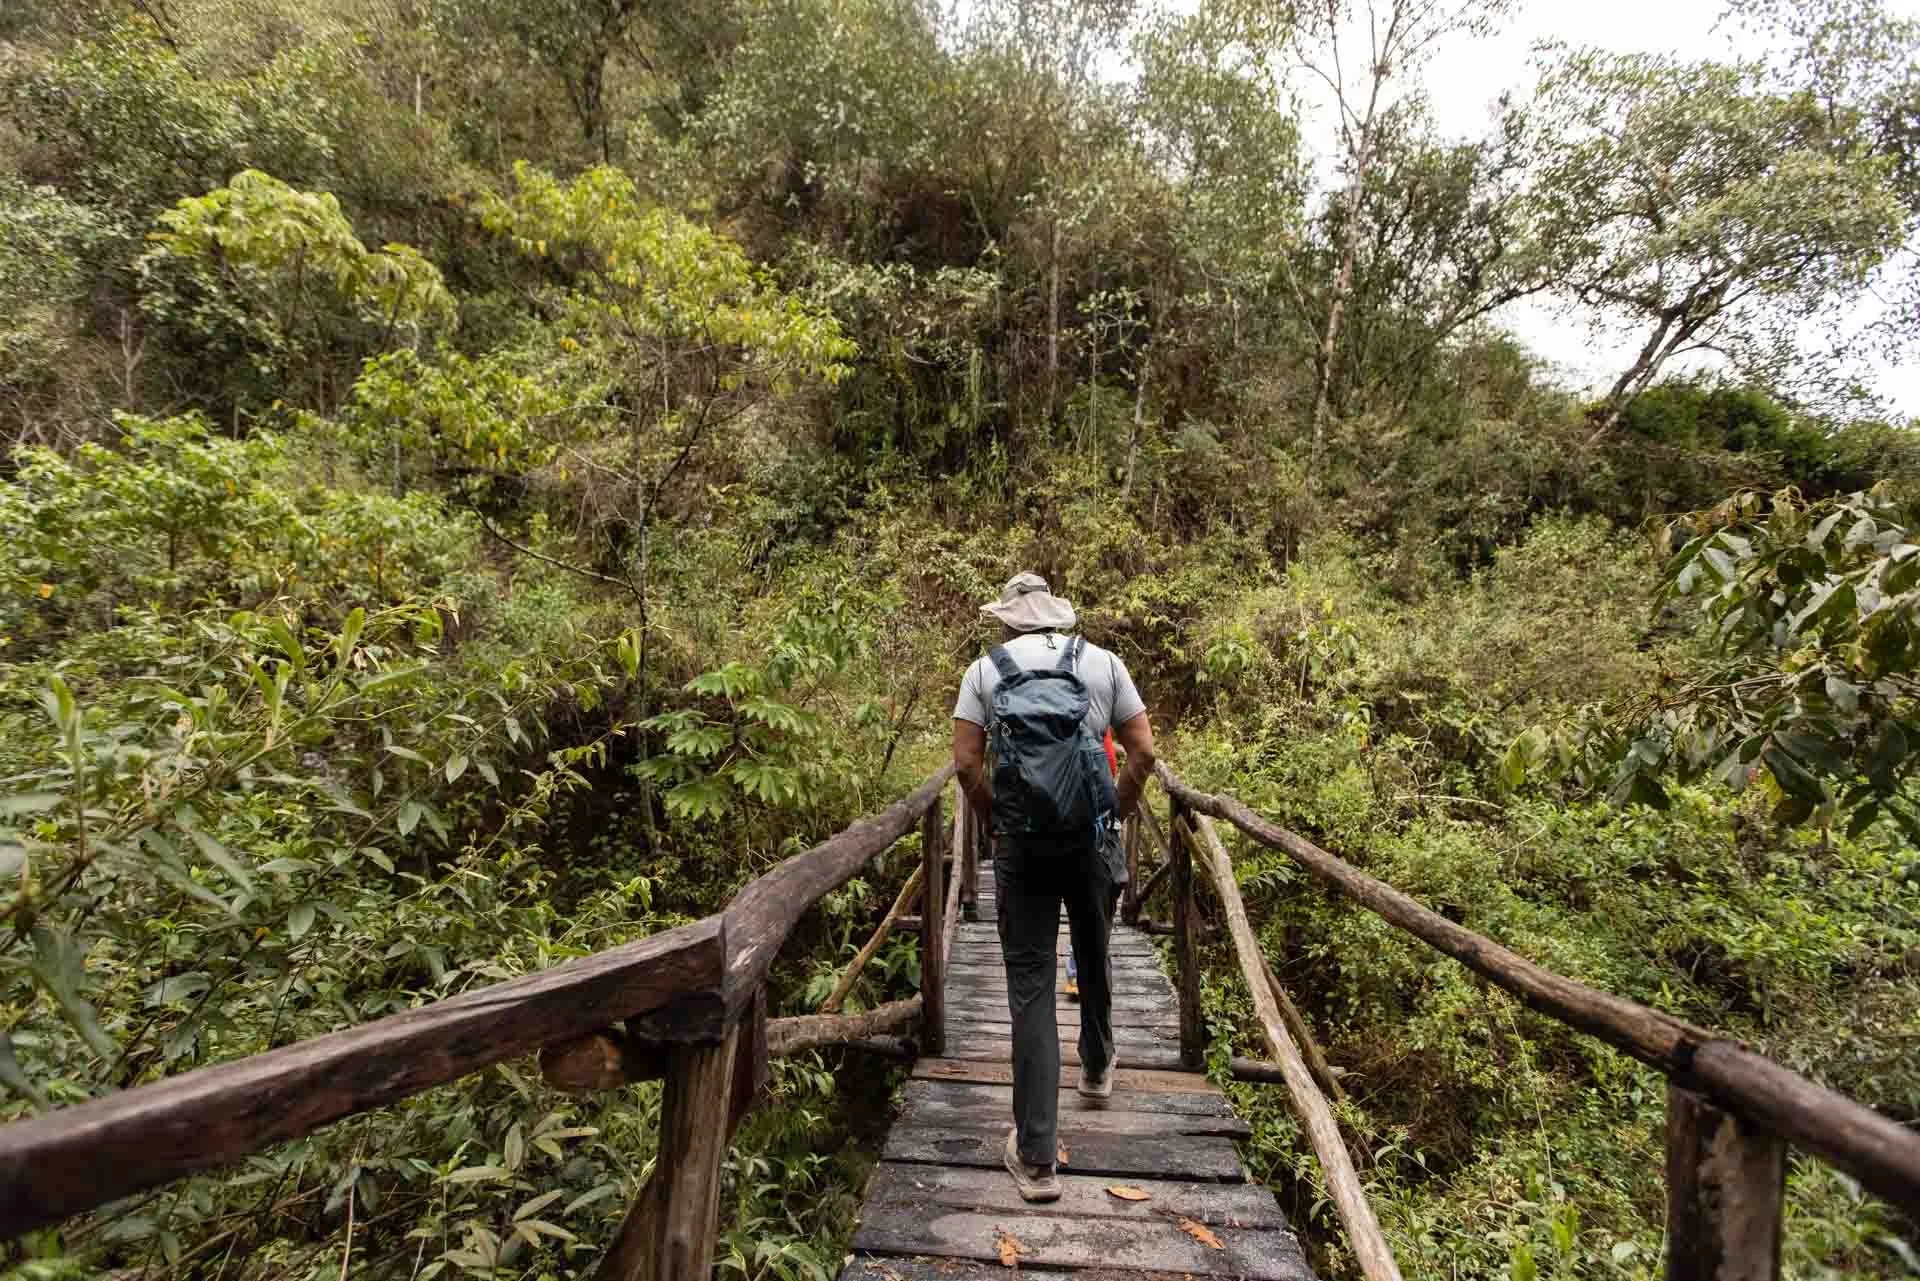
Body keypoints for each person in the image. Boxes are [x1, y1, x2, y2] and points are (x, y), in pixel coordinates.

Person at [952, 572, 1156, 1203]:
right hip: (1090, 840)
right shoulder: (1104, 663)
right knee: (1093, 951)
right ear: (1057, 618)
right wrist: (1114, 812)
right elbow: (1143, 752)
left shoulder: (983, 673)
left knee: (1033, 986)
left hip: (1023, 849)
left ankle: (1037, 1157)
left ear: (1009, 621)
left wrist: (993, 818)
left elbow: (965, 764)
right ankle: (1095, 1070)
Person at [1065, 728, 1121, 1001]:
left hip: (1032, 831)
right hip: (1088, 828)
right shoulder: (1094, 720)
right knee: (1088, 910)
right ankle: (1077, 971)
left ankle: (1071, 972)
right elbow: (1110, 766)